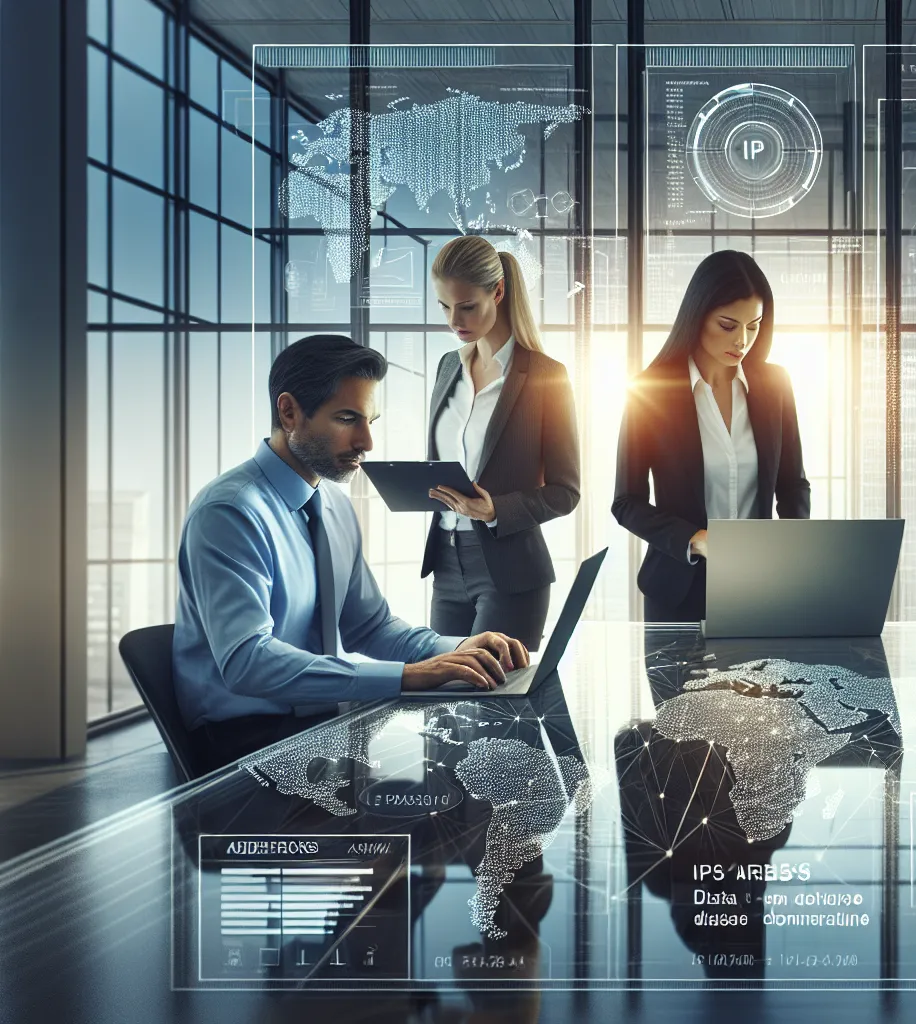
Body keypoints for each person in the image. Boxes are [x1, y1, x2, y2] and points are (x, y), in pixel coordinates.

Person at [173, 335, 528, 773]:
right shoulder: (230, 512)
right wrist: (409, 676)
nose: (367, 442)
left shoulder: (334, 506)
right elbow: (248, 662)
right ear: (289, 412)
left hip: (324, 725)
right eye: (347, 419)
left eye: (370, 421)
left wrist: (460, 650)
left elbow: (370, 627)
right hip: (242, 744)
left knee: (471, 771)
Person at [612, 250, 810, 621]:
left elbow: (793, 485)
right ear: (697, 315)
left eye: (754, 326)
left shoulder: (776, 385)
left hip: (762, 586)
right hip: (678, 590)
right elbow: (626, 502)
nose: (742, 341)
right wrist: (696, 539)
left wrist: (793, 555)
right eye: (728, 325)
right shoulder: (649, 391)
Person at [420, 235, 580, 649]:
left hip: (509, 571)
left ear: (498, 291)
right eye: (444, 307)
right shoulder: (447, 367)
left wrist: (496, 511)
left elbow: (566, 492)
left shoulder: (546, 376)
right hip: (446, 562)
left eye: (467, 306)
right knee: (445, 688)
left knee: (494, 688)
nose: (454, 320)